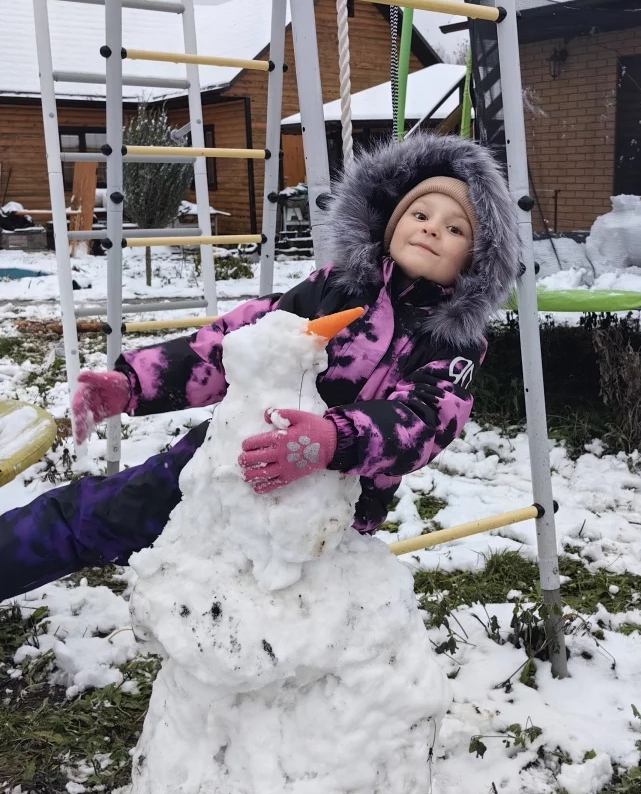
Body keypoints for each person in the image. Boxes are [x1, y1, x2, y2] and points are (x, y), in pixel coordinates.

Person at [0, 134, 519, 602]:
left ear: (475, 259)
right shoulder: (329, 290)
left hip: (325, 512)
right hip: (228, 457)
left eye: (455, 228)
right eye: (420, 213)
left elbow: (425, 420)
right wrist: (134, 382)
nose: (432, 229)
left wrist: (332, 440)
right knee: (101, 512)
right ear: (391, 222)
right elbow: (239, 344)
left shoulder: (452, 344)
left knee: (266, 615)